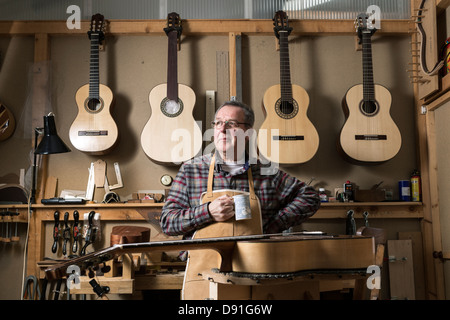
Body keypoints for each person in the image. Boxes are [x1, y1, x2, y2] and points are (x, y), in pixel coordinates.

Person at [160, 100, 320, 239]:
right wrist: (207, 212)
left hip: (255, 265)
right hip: (202, 266)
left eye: (231, 124)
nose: (222, 130)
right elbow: (167, 223)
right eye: (218, 123)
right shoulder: (191, 170)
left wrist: (271, 226)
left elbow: (310, 197)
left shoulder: (266, 171)